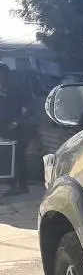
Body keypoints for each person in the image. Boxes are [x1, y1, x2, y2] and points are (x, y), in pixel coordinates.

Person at [0, 64, 30, 196]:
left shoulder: (17, 90)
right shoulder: (2, 90)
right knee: (5, 156)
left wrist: (16, 122)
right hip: (3, 127)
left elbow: (28, 110)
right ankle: (11, 185)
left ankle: (22, 186)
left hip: (17, 128)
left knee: (17, 157)